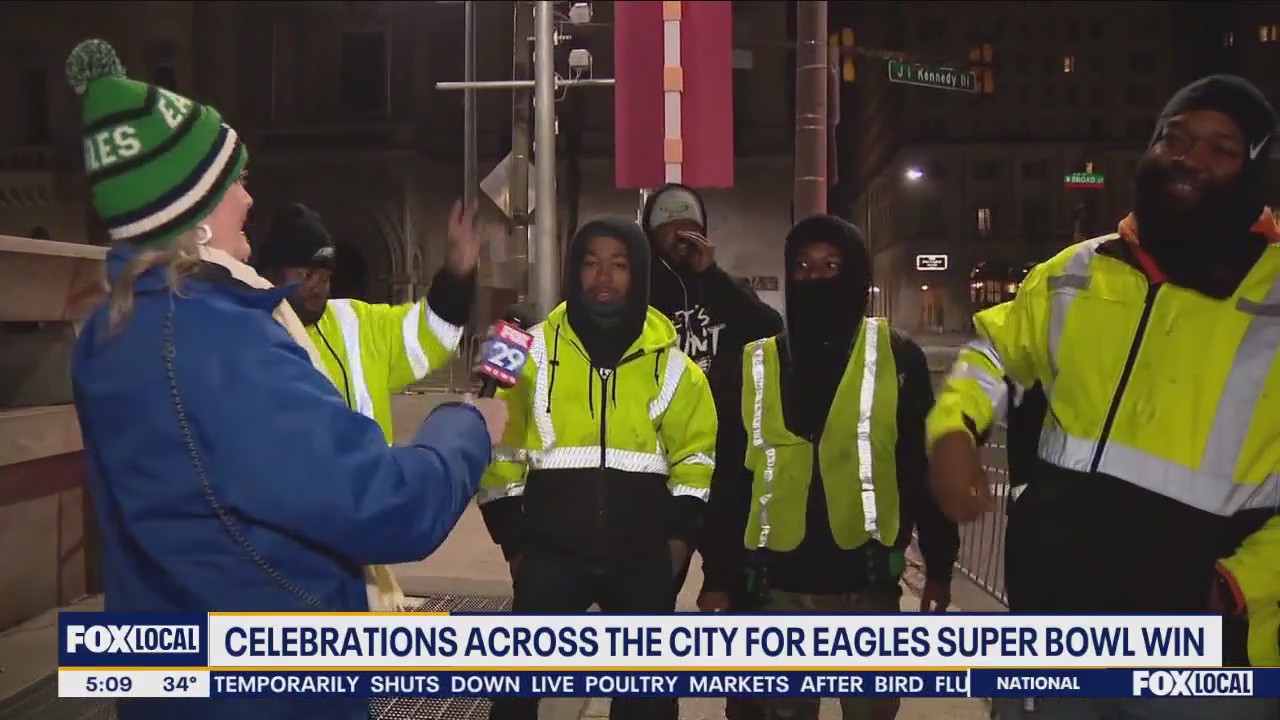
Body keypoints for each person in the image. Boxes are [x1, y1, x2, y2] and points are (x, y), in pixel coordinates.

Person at [64, 39, 506, 720]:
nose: (248, 195)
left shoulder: (109, 332)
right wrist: (468, 427)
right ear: (195, 214)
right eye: (233, 180)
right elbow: (385, 507)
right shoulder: (215, 336)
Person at [928, 75, 1280, 720]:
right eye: (1175, 137)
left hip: (1205, 658)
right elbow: (994, 352)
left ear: (1256, 169)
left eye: (1220, 147)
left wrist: (1238, 586)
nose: (1189, 157)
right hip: (1054, 625)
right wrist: (954, 429)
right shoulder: (1075, 270)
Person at [716, 215, 959, 720]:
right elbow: (730, 481)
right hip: (776, 590)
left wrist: (938, 565)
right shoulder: (755, 363)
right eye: (803, 267)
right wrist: (719, 575)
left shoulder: (898, 357)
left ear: (856, 275)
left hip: (866, 586)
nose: (816, 278)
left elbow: (919, 466)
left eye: (831, 266)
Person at [478, 217, 718, 720]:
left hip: (643, 565)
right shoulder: (523, 350)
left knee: (647, 704)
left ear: (640, 275)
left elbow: (696, 459)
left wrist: (676, 547)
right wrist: (515, 544)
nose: (603, 277)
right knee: (514, 698)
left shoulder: (676, 365)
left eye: (619, 264)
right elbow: (495, 447)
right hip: (547, 559)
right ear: (573, 270)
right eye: (590, 263)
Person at [639, 183, 784, 620]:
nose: (682, 236)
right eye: (670, 228)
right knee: (651, 595)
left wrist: (712, 275)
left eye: (692, 227)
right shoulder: (641, 293)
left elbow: (770, 328)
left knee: (738, 597)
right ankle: (651, 686)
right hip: (662, 467)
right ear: (651, 235)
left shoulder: (726, 290)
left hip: (727, 468)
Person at [252, 200, 479, 444]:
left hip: (373, 480)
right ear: (272, 274)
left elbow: (433, 330)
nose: (319, 287)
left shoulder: (355, 322)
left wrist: (457, 273)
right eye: (308, 275)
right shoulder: (248, 337)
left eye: (326, 277)